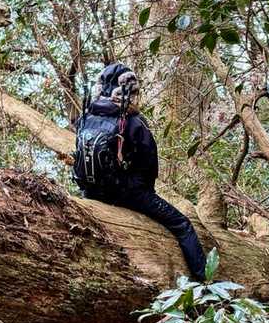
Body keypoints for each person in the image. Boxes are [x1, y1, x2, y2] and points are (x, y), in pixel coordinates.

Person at [73, 61, 207, 281]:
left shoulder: (87, 116)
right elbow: (148, 164)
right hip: (127, 194)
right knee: (183, 225)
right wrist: (144, 194)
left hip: (91, 191)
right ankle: (206, 283)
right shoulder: (133, 121)